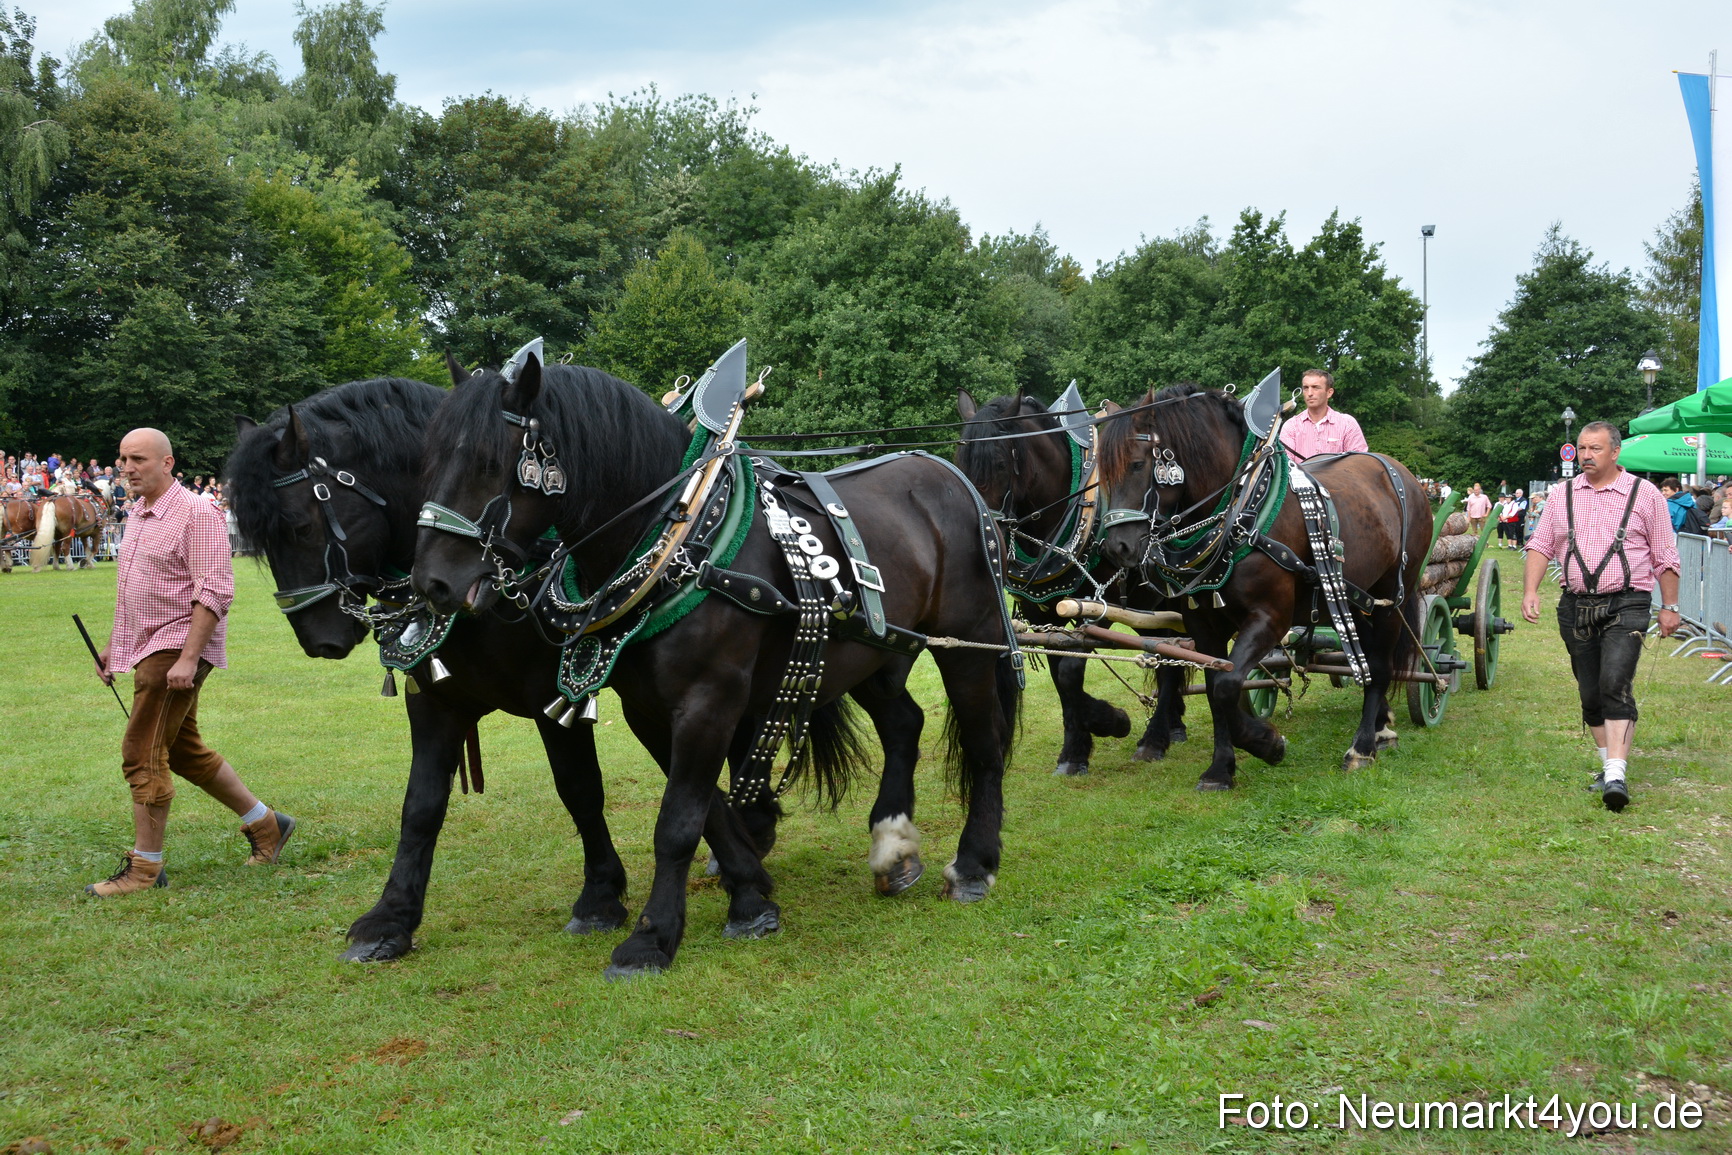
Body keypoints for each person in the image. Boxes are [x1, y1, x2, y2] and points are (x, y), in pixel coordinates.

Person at [86, 427, 296, 897]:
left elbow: (215, 589)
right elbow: (135, 590)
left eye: (138, 459)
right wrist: (114, 644)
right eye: (122, 459)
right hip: (150, 646)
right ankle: (267, 824)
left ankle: (145, 869)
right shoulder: (139, 513)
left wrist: (188, 657)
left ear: (167, 463)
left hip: (177, 648)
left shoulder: (197, 513)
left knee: (141, 752)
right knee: (181, 750)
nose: (127, 468)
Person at [1522, 421, 1681, 812]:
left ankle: (1616, 774)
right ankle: (1608, 765)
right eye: (1582, 448)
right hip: (1575, 605)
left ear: (1615, 452)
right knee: (1590, 691)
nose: (1586, 455)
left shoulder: (1644, 494)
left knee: (1614, 682)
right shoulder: (1562, 495)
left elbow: (1665, 555)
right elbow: (1541, 544)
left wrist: (1670, 606)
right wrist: (1530, 591)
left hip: (1628, 602)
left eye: (1595, 448)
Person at [1279, 369, 1368, 463]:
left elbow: (1359, 462)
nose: (1310, 393)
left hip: (1339, 473)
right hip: (1298, 473)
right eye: (1306, 388)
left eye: (1316, 387)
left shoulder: (1347, 423)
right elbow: (1284, 464)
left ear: (1329, 392)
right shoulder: (1291, 426)